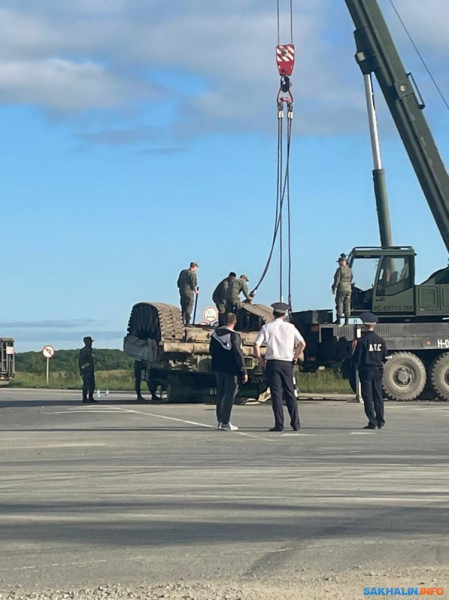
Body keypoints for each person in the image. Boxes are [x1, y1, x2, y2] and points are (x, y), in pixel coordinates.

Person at [253, 303, 306, 432]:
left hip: (273, 362)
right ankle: (295, 423)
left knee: (276, 393)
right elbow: (302, 343)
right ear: (284, 314)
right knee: (290, 392)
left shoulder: (267, 327)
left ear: (273, 313)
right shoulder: (291, 327)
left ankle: (279, 424)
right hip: (287, 362)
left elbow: (256, 345)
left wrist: (261, 360)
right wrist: (295, 356)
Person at [209, 312, 248, 431]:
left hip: (218, 368)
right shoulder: (234, 336)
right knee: (229, 395)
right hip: (231, 370)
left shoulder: (215, 334)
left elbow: (211, 350)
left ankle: (220, 421)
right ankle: (226, 422)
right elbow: (238, 353)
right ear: (234, 322)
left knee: (220, 394)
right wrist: (243, 370)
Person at [352, 311, 388, 430]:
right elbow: (384, 357)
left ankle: (372, 421)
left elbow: (357, 358)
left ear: (364, 325)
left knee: (367, 396)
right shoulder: (381, 340)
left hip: (366, 370)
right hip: (377, 369)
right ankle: (380, 420)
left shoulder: (362, 341)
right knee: (378, 395)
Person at [332, 253, 353, 325]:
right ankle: (346, 321)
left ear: (341, 262)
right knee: (347, 304)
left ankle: (338, 320)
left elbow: (337, 280)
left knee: (339, 303)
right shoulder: (349, 270)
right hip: (348, 288)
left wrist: (334, 287)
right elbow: (351, 278)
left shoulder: (339, 269)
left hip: (341, 288)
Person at [79, 336, 96, 403]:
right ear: (86, 342)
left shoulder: (90, 350)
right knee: (86, 384)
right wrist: (83, 370)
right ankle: (85, 398)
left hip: (91, 370)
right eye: (90, 342)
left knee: (92, 384)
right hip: (86, 371)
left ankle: (91, 397)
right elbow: (81, 362)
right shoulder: (84, 351)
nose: (91, 343)